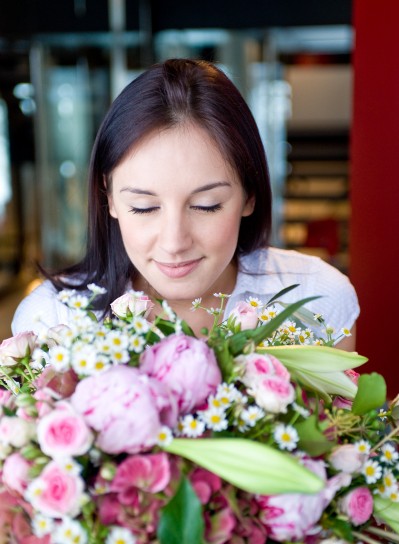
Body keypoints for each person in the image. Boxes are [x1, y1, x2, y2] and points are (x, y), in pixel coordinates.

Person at [12, 58, 359, 349]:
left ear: (249, 195)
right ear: (109, 199)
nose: (174, 242)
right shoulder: (53, 319)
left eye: (206, 205)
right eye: (144, 208)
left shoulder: (317, 299)